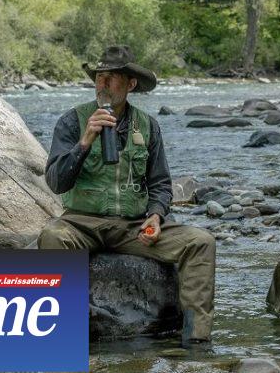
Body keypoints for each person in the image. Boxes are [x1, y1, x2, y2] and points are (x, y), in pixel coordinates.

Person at [37, 44, 216, 346]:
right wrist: (85, 141)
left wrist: (156, 217)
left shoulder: (147, 126)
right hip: (82, 224)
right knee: (52, 236)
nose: (103, 84)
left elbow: (160, 184)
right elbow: (56, 181)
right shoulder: (72, 121)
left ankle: (196, 341)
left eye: (112, 77)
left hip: (133, 227)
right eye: (99, 77)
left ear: (130, 84)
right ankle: (62, 334)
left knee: (201, 242)